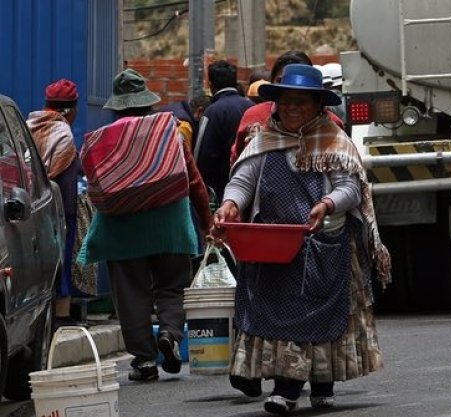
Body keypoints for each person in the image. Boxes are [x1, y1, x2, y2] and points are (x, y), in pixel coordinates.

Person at [212, 64, 391, 415]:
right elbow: (244, 180)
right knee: (283, 314)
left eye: (302, 102)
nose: (292, 108)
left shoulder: (335, 142)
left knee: (323, 315)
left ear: (318, 106)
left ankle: (322, 383)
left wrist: (326, 204)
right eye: (286, 101)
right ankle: (287, 387)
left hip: (324, 245)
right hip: (274, 248)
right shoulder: (264, 139)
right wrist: (231, 205)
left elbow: (351, 188)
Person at [77, 69, 213, 382]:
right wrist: (206, 222)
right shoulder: (171, 132)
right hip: (170, 224)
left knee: (131, 294)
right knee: (173, 285)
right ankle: (170, 334)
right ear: (147, 102)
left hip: (121, 230)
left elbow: (94, 187)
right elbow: (194, 181)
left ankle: (144, 361)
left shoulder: (105, 139)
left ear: (117, 106)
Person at [26, 78, 82, 328]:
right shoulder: (63, 133)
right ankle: (61, 314)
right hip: (59, 209)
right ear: (70, 109)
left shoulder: (27, 126)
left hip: (28, 205)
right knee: (62, 258)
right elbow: (63, 176)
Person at [230, 51, 343, 166]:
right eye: (281, 81)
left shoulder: (332, 125)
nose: (292, 107)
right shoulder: (254, 116)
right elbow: (238, 163)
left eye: (301, 100)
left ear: (317, 100)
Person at [195, 60, 254, 204]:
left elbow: (202, 154)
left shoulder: (212, 112)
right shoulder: (251, 107)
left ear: (211, 86)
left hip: (223, 190)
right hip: (251, 184)